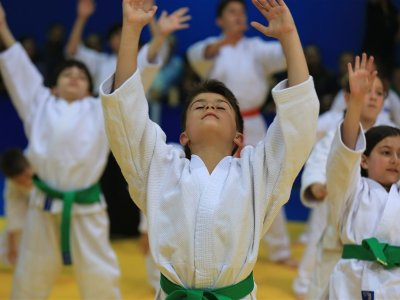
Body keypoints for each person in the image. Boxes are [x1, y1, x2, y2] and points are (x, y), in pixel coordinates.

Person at [100, 0, 318, 298]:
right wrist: (131, 32)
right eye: (199, 105)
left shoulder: (257, 173)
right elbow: (126, 116)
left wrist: (290, 36)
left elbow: (298, 124)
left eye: (221, 106)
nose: (211, 106)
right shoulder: (161, 167)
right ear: (184, 135)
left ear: (239, 138)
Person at [0, 4, 122, 298]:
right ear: (53, 87)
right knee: (31, 272)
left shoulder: (99, 110)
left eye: (81, 76)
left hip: (86, 204)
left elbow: (130, 84)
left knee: (100, 275)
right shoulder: (40, 103)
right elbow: (20, 71)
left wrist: (151, 40)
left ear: (90, 89)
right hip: (43, 202)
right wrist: (3, 28)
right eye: (66, 73)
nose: (74, 76)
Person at [187, 0, 296, 267]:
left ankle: (280, 249)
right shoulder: (209, 47)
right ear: (219, 20)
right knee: (214, 182)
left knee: (270, 181)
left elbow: (286, 56)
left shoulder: (256, 49)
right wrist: (227, 41)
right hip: (218, 127)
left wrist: (284, 33)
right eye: (231, 13)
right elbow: (197, 56)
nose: (238, 17)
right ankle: (213, 244)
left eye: (241, 13)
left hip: (253, 122)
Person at [294, 55, 396, 299]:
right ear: (349, 97)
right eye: (368, 91)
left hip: (379, 239)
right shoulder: (335, 134)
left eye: (379, 93)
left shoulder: (392, 137)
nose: (372, 97)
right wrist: (317, 184)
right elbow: (320, 160)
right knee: (321, 272)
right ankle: (301, 285)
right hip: (336, 216)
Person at [326, 53, 400, 299]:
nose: (395, 160)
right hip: (352, 280)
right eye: (386, 152)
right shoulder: (353, 189)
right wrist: (356, 101)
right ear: (364, 159)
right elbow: (345, 154)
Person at [66, 0, 189, 94]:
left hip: (131, 113)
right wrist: (81, 18)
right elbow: (72, 51)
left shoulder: (138, 61)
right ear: (109, 41)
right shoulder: (100, 61)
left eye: (124, 33)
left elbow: (157, 48)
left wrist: (155, 26)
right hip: (98, 111)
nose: (121, 37)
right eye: (117, 34)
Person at [0, 148, 32, 266]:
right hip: (39, 212)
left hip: (71, 207)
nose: (25, 182)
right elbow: (14, 214)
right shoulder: (12, 184)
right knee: (5, 250)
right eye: (19, 181)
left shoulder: (44, 162)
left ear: (29, 165)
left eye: (27, 176)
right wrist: (13, 246)